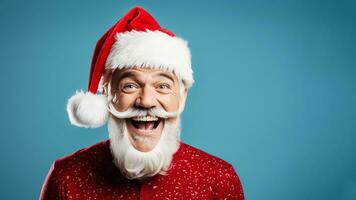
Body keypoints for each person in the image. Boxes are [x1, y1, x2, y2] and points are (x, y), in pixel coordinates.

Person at [40, 6, 244, 200]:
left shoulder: (219, 179)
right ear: (108, 94)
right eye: (130, 86)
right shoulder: (66, 177)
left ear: (182, 96)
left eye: (162, 86)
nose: (146, 101)